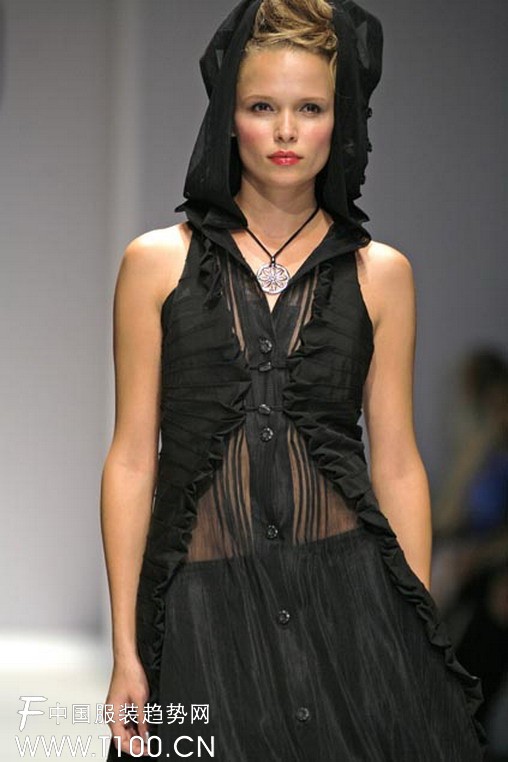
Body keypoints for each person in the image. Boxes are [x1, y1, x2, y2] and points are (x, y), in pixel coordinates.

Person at [101, 1, 488, 759]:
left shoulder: (383, 275)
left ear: (339, 122)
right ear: (227, 118)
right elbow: (132, 458)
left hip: (349, 599)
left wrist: (414, 631)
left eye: (309, 108)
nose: (285, 131)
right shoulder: (155, 264)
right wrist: (124, 649)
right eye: (261, 107)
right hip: (200, 608)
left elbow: (397, 461)